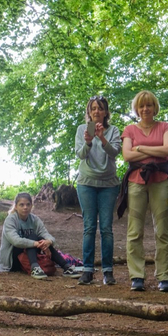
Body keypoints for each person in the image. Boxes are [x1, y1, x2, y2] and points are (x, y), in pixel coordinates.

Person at [118, 90, 168, 292]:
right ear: (136, 109)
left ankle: (164, 277)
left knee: (162, 230)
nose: (145, 109)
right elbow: (126, 155)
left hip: (160, 180)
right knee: (134, 231)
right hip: (136, 182)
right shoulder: (129, 130)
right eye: (141, 106)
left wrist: (140, 149)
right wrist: (153, 150)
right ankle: (137, 276)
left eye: (149, 105)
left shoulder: (165, 127)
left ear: (154, 107)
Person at [74, 96, 121, 286]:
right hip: (86, 182)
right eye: (93, 108)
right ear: (89, 111)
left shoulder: (113, 131)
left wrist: (101, 138)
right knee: (89, 227)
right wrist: (88, 141)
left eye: (100, 108)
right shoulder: (81, 130)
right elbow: (80, 154)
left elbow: (115, 152)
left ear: (106, 112)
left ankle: (108, 271)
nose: (96, 112)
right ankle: (87, 270)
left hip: (108, 184)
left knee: (106, 228)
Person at [0, 192, 82, 279]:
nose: (25, 207)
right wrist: (36, 243)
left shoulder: (34, 219)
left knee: (41, 238)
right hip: (12, 261)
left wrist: (48, 242)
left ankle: (66, 267)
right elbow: (15, 241)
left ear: (31, 206)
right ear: (16, 206)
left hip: (27, 256)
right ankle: (35, 268)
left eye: (28, 204)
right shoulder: (11, 219)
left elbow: (45, 234)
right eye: (21, 205)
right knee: (33, 237)